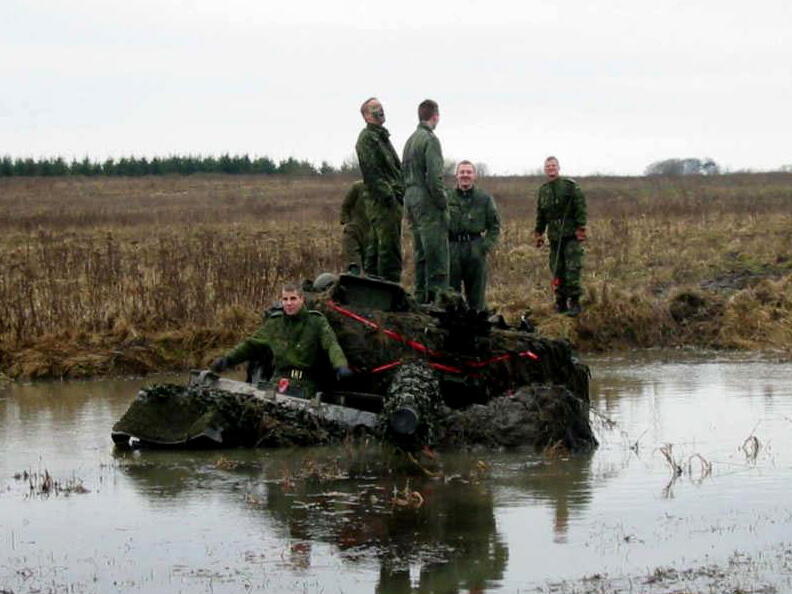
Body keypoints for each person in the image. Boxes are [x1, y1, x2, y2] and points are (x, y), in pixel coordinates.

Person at [210, 283, 352, 397]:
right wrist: (228, 360)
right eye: (285, 299)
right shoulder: (275, 323)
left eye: (293, 299)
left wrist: (340, 365)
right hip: (278, 382)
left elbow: (331, 345)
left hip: (306, 385)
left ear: (302, 299)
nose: (289, 303)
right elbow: (251, 345)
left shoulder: (316, 322)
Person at [402, 99, 448, 303]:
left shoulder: (410, 141)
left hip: (411, 201)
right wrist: (443, 202)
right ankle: (438, 300)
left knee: (421, 254)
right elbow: (434, 178)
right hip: (427, 202)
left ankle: (420, 298)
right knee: (436, 254)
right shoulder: (430, 140)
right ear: (435, 116)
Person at [355, 97, 404, 282]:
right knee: (388, 247)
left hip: (392, 199)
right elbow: (372, 173)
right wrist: (390, 196)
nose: (380, 111)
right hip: (382, 201)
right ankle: (389, 286)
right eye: (375, 108)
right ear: (366, 116)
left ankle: (374, 284)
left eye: (381, 107)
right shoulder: (367, 139)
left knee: (378, 246)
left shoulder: (382, 137)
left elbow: (394, 169)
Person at [533, 156, 587, 316]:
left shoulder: (569, 186)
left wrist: (581, 227)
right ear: (545, 169)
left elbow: (580, 206)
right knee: (557, 269)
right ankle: (561, 302)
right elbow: (541, 214)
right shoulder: (543, 191)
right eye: (548, 166)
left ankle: (575, 302)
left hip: (570, 234)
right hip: (554, 237)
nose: (551, 169)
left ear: (558, 168)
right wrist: (539, 232)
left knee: (572, 268)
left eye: (553, 166)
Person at [448, 160, 501, 311]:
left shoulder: (484, 198)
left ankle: (476, 329)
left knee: (476, 299)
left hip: (475, 249)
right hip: (452, 250)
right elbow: (437, 224)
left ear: (474, 176)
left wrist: (485, 247)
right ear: (456, 175)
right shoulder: (447, 197)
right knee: (451, 297)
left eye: (469, 172)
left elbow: (495, 226)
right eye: (462, 172)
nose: (465, 175)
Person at [340, 180, 373, 275]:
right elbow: (346, 205)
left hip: (372, 234)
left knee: (370, 267)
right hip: (354, 230)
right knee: (354, 265)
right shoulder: (358, 187)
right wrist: (346, 222)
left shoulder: (383, 189)